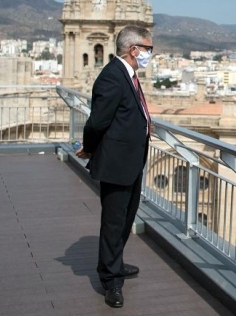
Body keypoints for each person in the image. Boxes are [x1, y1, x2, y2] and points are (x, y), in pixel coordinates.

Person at [75, 25, 154, 308]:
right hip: (117, 163)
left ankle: (115, 263)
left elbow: (125, 113)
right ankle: (110, 281)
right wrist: (91, 147)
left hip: (130, 161)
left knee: (125, 219)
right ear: (134, 50)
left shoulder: (126, 75)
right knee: (113, 222)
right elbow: (97, 121)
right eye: (148, 49)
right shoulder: (112, 76)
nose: (150, 55)